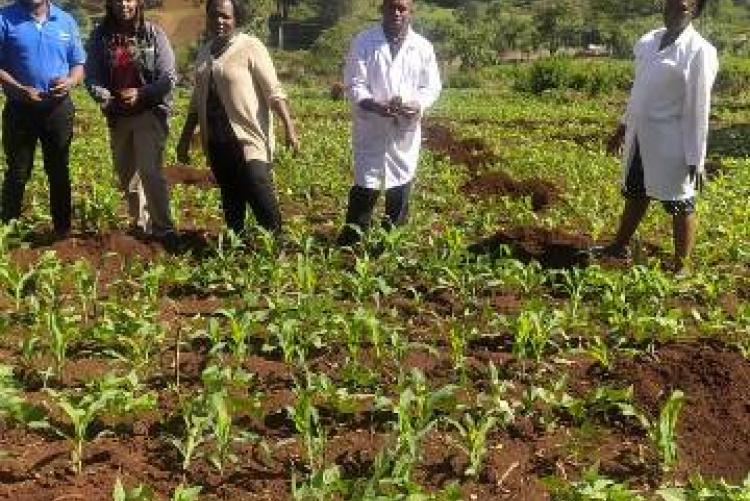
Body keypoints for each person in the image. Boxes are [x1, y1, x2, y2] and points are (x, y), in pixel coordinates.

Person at [592, 0, 718, 273]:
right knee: (636, 193)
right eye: (671, 4)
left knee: (681, 202)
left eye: (683, 7)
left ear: (695, 11)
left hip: (672, 141)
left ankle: (682, 266)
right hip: (641, 136)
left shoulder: (699, 51)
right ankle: (619, 245)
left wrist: (696, 157)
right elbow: (639, 92)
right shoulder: (650, 41)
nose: (675, 10)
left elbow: (699, 108)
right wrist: (622, 128)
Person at [176, 0, 299, 238]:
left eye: (225, 16)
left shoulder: (251, 47)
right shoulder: (204, 52)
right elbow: (196, 101)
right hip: (217, 140)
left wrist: (289, 128)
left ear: (236, 19)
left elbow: (273, 91)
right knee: (231, 197)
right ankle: (237, 249)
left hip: (247, 138)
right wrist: (184, 138)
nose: (219, 21)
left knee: (257, 185)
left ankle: (277, 245)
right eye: (213, 16)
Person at [337, 0, 442, 247]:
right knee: (366, 183)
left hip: (403, 128)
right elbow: (354, 83)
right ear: (381, 9)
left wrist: (417, 104)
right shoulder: (364, 41)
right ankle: (352, 239)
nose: (396, 13)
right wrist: (373, 105)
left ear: (410, 10)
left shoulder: (423, 47)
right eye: (391, 7)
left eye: (402, 8)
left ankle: (391, 241)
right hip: (371, 123)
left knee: (401, 183)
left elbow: (432, 86)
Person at [85, 0, 177, 243]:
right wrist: (104, 97)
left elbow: (168, 76)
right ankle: (139, 224)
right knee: (127, 175)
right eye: (118, 0)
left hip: (149, 112)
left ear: (138, 3)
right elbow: (91, 74)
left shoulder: (153, 34)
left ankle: (164, 227)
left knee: (149, 170)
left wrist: (142, 93)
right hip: (118, 113)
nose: (124, 4)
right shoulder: (100, 37)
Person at [0, 0, 86, 238]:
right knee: (18, 171)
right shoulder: (4, 18)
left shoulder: (65, 20)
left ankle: (62, 230)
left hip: (58, 109)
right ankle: (8, 231)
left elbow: (78, 63)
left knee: (59, 169)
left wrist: (69, 82)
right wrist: (19, 88)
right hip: (20, 108)